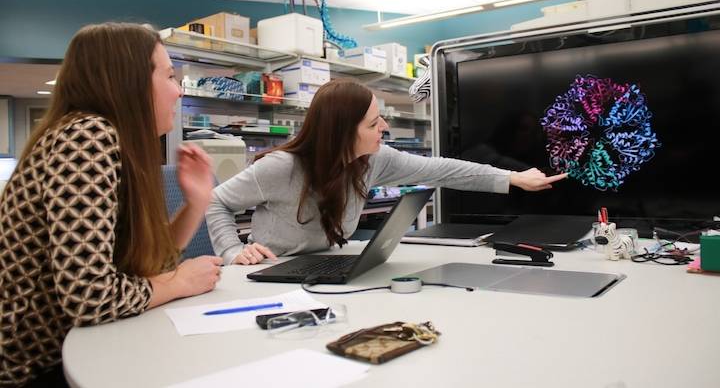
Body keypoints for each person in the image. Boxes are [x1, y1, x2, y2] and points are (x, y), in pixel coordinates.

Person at [0, 23, 223, 387]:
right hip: (36, 370)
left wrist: (196, 204)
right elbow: (90, 296)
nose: (178, 92)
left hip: (84, 351)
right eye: (169, 76)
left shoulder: (109, 141)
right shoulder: (87, 137)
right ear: (130, 81)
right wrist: (178, 283)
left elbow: (146, 268)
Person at [206, 79, 567, 265]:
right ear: (343, 132)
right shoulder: (281, 168)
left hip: (326, 268)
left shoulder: (371, 161)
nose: (383, 128)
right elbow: (215, 201)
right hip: (267, 276)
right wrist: (231, 252)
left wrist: (511, 178)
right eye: (373, 122)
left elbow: (441, 170)